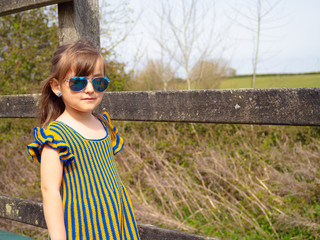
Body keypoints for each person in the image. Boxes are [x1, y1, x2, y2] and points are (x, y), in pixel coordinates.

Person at [27, 40, 140, 240]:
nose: (90, 89)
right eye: (78, 82)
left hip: (115, 224)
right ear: (56, 86)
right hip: (83, 228)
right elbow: (50, 192)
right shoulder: (55, 137)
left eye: (98, 82)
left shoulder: (104, 125)